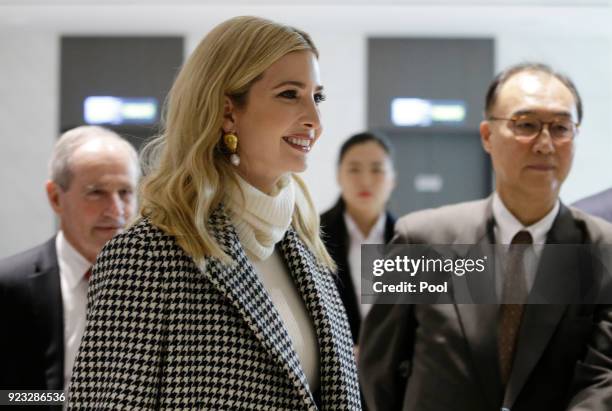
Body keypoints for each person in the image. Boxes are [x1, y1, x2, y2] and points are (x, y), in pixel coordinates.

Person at [67, 16, 360, 410]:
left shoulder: (306, 248)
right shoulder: (145, 256)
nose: (315, 121)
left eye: (317, 97)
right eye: (290, 94)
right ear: (227, 111)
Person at [359, 63, 612, 411]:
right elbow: (377, 369)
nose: (544, 144)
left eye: (561, 127)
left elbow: (605, 377)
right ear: (487, 136)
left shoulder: (602, 249)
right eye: (526, 125)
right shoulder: (418, 238)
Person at [0, 126, 139, 397]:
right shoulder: (9, 287)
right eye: (96, 192)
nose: (116, 210)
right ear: (55, 197)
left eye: (125, 192)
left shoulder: (160, 285)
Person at [320, 131, 396, 346]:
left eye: (377, 169)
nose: (365, 181)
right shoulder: (312, 236)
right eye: (354, 169)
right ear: (338, 175)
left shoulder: (409, 239)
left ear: (393, 179)